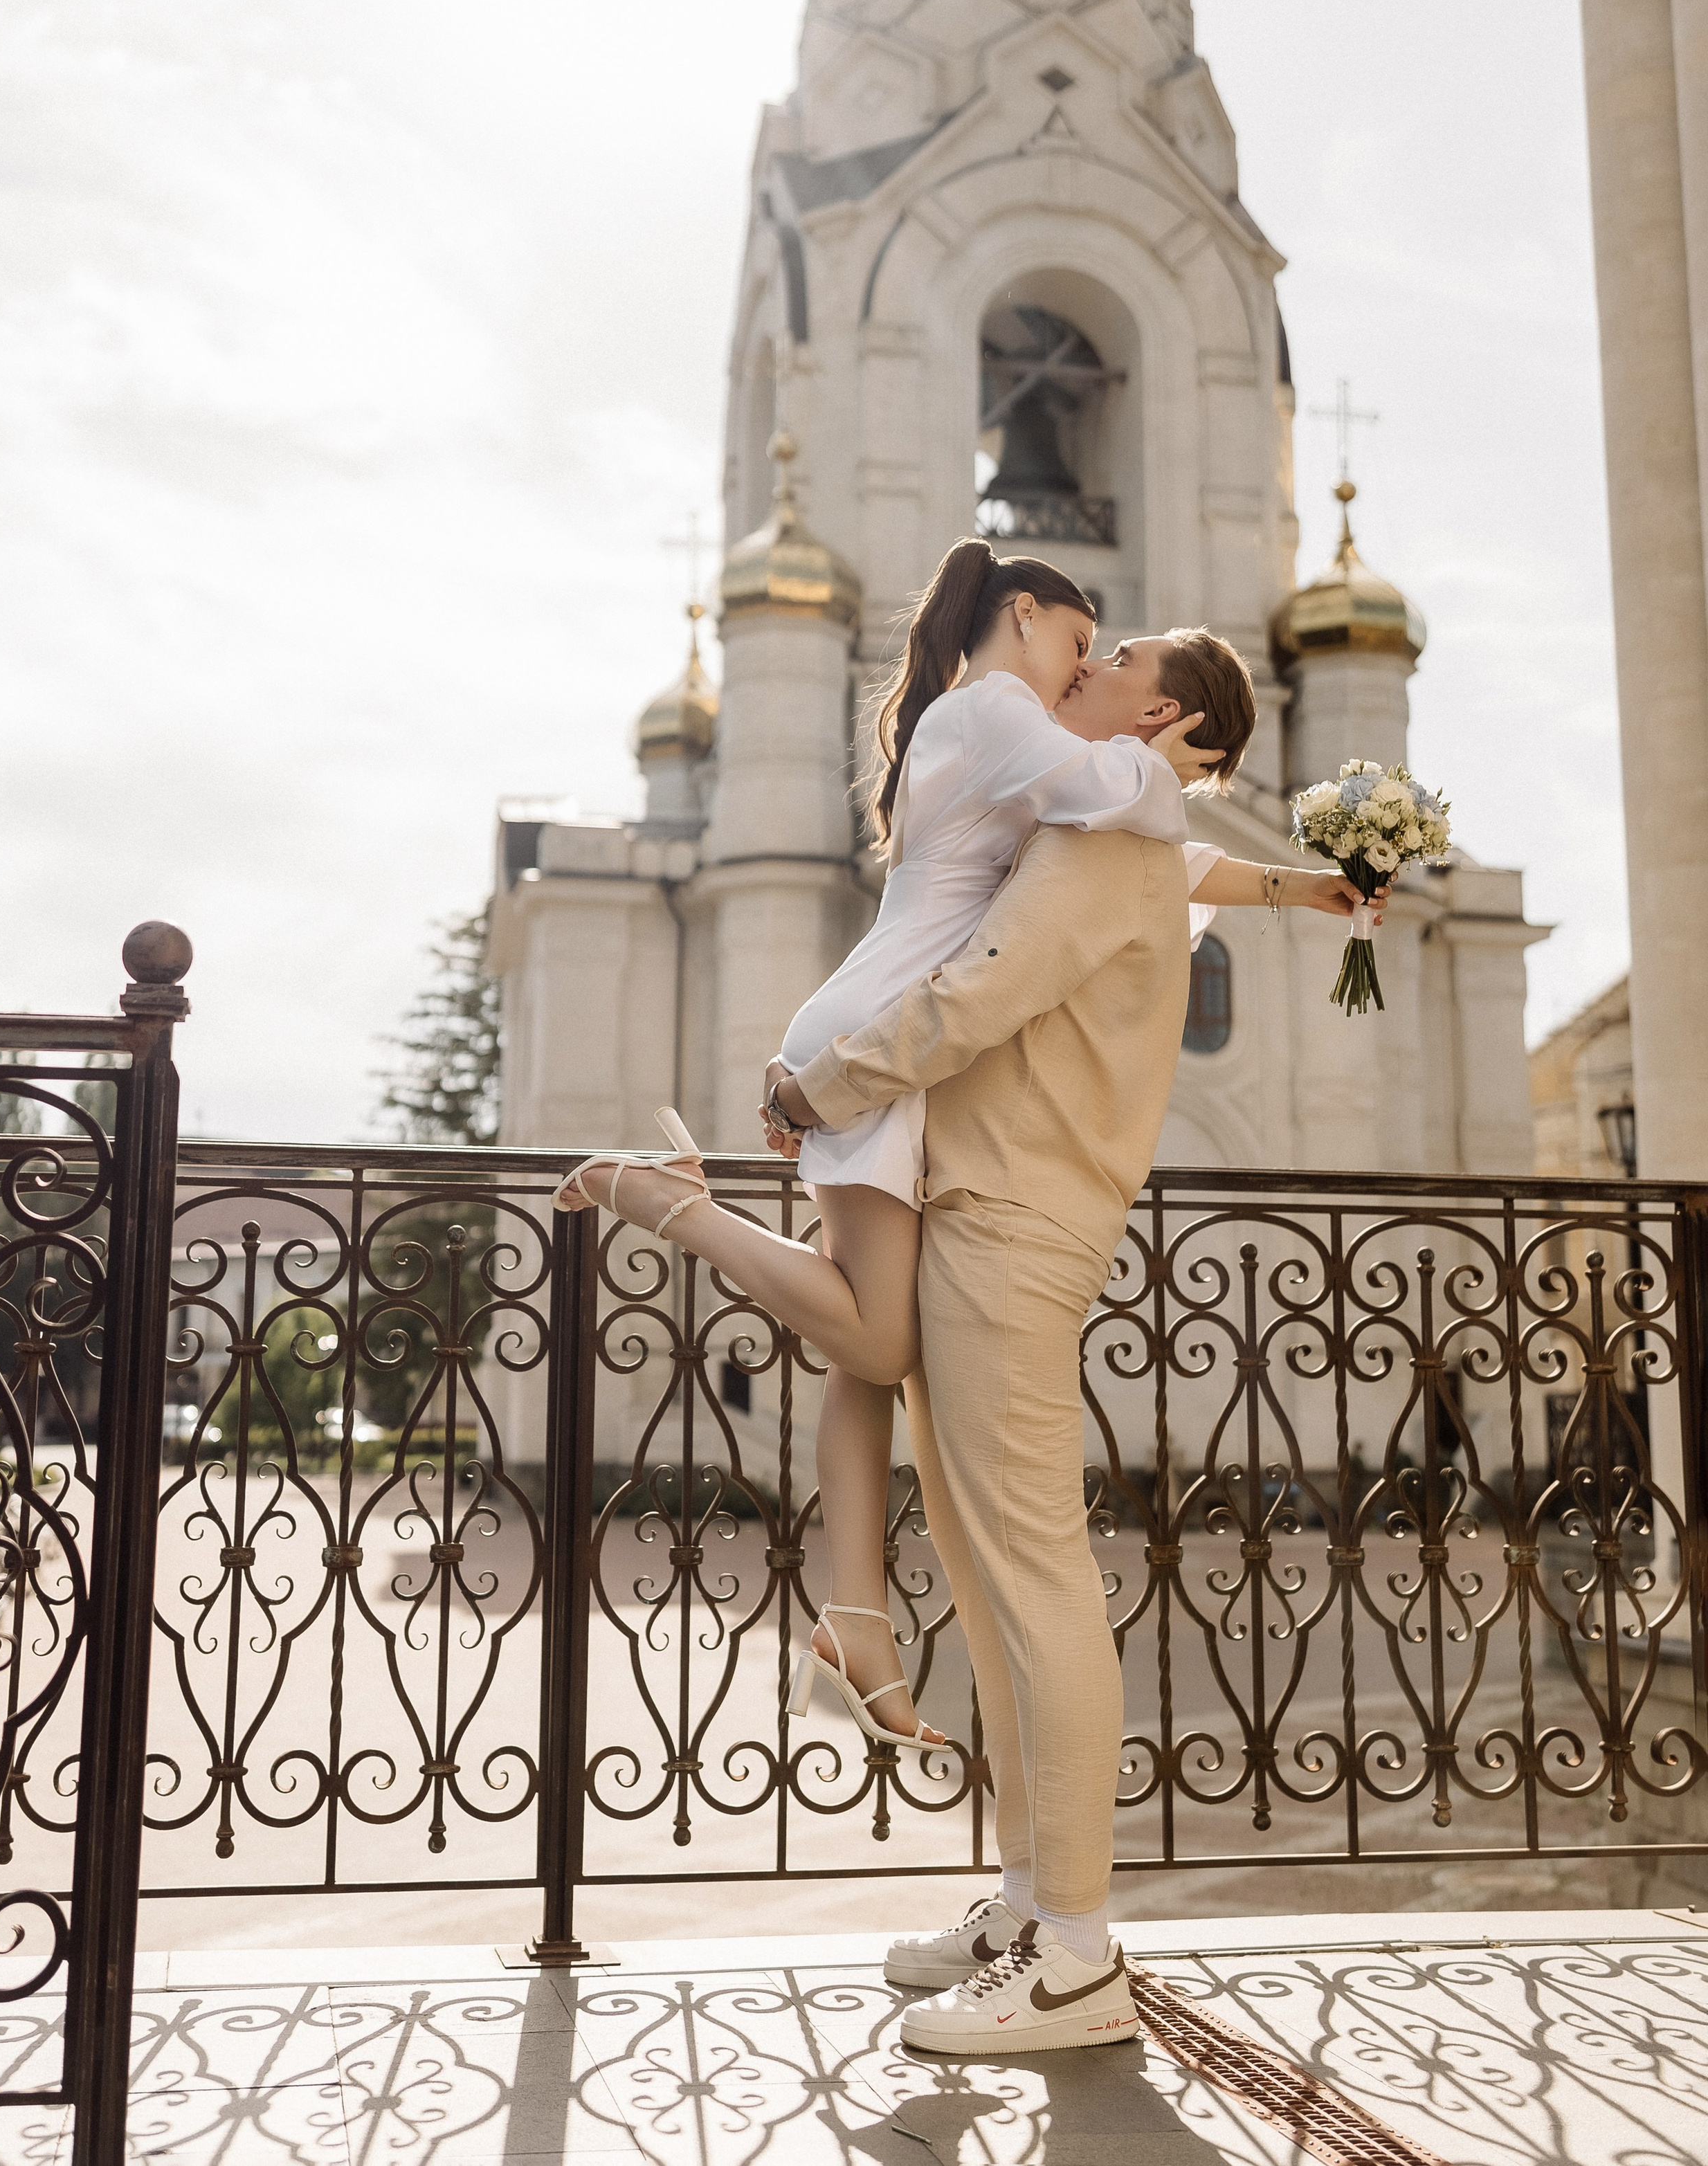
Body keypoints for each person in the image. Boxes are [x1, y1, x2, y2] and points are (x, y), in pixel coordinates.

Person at [556, 538, 1363, 1747]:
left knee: (864, 1357)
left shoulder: (1004, 729)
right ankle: (670, 1199)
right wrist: (1178, 756)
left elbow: (1156, 853)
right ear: (1022, 615)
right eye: (1081, 641)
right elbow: (1136, 807)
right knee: (878, 1335)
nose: (1084, 664)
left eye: (1105, 654)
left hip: (886, 1037)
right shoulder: (993, 711)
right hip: (879, 1038)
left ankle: (856, 1621)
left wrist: (1304, 886)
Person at [761, 688, 1375, 2056]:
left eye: (1112, 659)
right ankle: (1030, 1905)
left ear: (1159, 707)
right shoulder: (1122, 837)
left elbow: (978, 996)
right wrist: (1303, 886)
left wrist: (819, 1085)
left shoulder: (1107, 836)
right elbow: (1182, 868)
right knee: (992, 1587)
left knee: (1031, 1578)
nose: (1081, 675)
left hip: (1005, 1220)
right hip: (990, 1211)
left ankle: (1076, 1954)